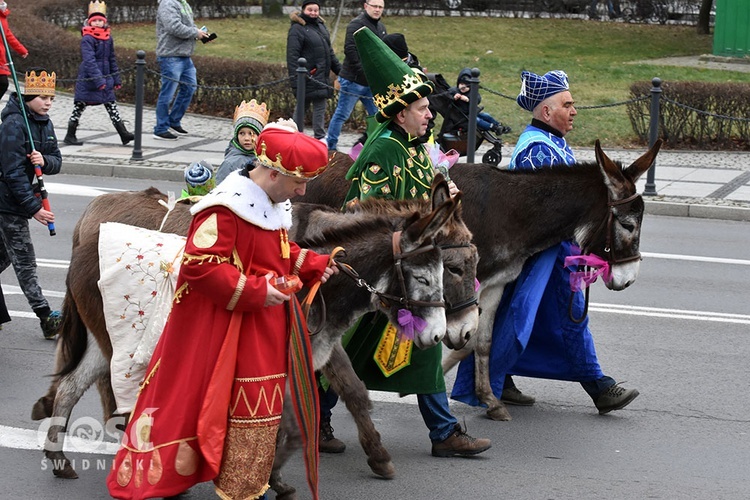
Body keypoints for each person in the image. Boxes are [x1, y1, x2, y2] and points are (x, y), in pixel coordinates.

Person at [107, 121, 337, 499]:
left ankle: (245, 483)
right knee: (218, 400)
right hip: (223, 327)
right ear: (274, 172)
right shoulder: (223, 209)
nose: (303, 190)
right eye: (299, 181)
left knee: (258, 403)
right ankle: (227, 485)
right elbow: (199, 267)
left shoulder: (272, 201)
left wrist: (309, 263)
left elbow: (275, 252)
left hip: (259, 323)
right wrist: (256, 290)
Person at [339, 27, 491, 458]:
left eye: (427, 108)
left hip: (414, 264)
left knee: (412, 343)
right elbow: (362, 213)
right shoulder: (383, 150)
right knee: (348, 346)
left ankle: (443, 432)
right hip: (387, 266)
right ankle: (320, 415)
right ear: (400, 113)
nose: (429, 115)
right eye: (422, 108)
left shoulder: (413, 147)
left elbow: (425, 200)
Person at [452, 70, 639, 416]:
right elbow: (545, 212)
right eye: (567, 104)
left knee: (524, 318)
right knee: (568, 319)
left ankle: (500, 378)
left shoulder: (551, 142)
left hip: (557, 250)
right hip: (549, 255)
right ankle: (598, 385)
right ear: (545, 111)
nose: (574, 110)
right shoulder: (536, 149)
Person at [0, 69, 62, 340]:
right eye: (42, 97)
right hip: (6, 202)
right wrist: (34, 208)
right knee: (25, 260)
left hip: (21, 201)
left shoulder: (45, 123)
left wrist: (43, 161)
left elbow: (56, 160)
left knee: (3, 258)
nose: (48, 103)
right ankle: (45, 316)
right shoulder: (14, 124)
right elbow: (12, 172)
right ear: (28, 96)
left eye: (51, 98)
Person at [63, 1, 134, 147]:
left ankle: (123, 134)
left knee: (111, 105)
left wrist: (116, 79)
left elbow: (111, 59)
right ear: (89, 22)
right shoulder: (87, 38)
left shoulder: (108, 38)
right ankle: (70, 134)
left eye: (100, 20)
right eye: (94, 20)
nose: (97, 23)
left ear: (104, 22)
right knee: (79, 106)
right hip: (90, 80)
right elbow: (89, 61)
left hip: (105, 79)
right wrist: (98, 81)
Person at [325, 0, 386, 153]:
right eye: (375, 6)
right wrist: (365, 72)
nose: (377, 10)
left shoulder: (381, 27)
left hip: (371, 83)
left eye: (380, 7)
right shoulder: (356, 24)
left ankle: (373, 145)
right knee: (342, 114)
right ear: (366, 6)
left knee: (377, 116)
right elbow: (350, 50)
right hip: (353, 80)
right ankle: (331, 146)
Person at [152, 0, 210, 140]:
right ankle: (160, 128)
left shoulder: (183, 3)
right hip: (170, 55)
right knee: (168, 94)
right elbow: (174, 27)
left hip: (184, 55)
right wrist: (195, 33)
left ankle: (173, 121)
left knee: (190, 88)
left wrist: (200, 33)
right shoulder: (168, 3)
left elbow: (188, 26)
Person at [286, 0, 341, 141]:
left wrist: (341, 71)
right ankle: (292, 138)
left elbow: (329, 53)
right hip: (305, 77)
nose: (313, 13)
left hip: (321, 77)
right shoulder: (297, 29)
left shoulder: (321, 27)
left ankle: (320, 139)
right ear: (303, 10)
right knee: (300, 111)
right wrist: (295, 80)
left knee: (320, 111)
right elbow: (292, 56)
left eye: (316, 10)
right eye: (310, 9)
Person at [215, 99, 269, 184]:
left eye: (252, 133)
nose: (247, 138)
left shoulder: (266, 159)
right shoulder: (230, 163)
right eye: (242, 133)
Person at [447, 67, 511, 136]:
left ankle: (499, 125)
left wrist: (468, 100)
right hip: (462, 116)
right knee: (477, 120)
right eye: (461, 84)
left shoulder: (472, 92)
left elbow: (478, 99)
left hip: (472, 112)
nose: (463, 87)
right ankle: (493, 127)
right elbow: (447, 95)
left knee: (486, 115)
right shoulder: (454, 91)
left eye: (466, 85)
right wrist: (454, 97)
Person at [0, 1, 28, 101]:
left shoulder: (2, 16)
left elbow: (7, 35)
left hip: (0, 57)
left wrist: (21, 50)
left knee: (3, 83)